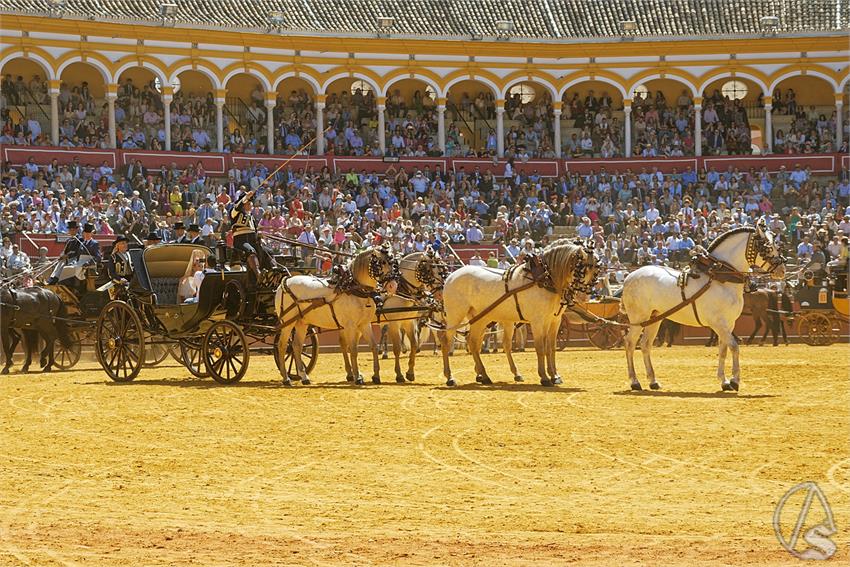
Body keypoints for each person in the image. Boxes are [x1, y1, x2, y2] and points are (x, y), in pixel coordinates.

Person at [229, 188, 263, 278]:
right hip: (241, 241)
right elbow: (238, 206)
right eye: (247, 203)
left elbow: (255, 230)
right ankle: (258, 274)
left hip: (252, 240)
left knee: (267, 252)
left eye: (250, 203)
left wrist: (259, 235)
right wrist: (246, 197)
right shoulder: (235, 213)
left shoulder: (251, 216)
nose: (249, 205)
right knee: (250, 251)